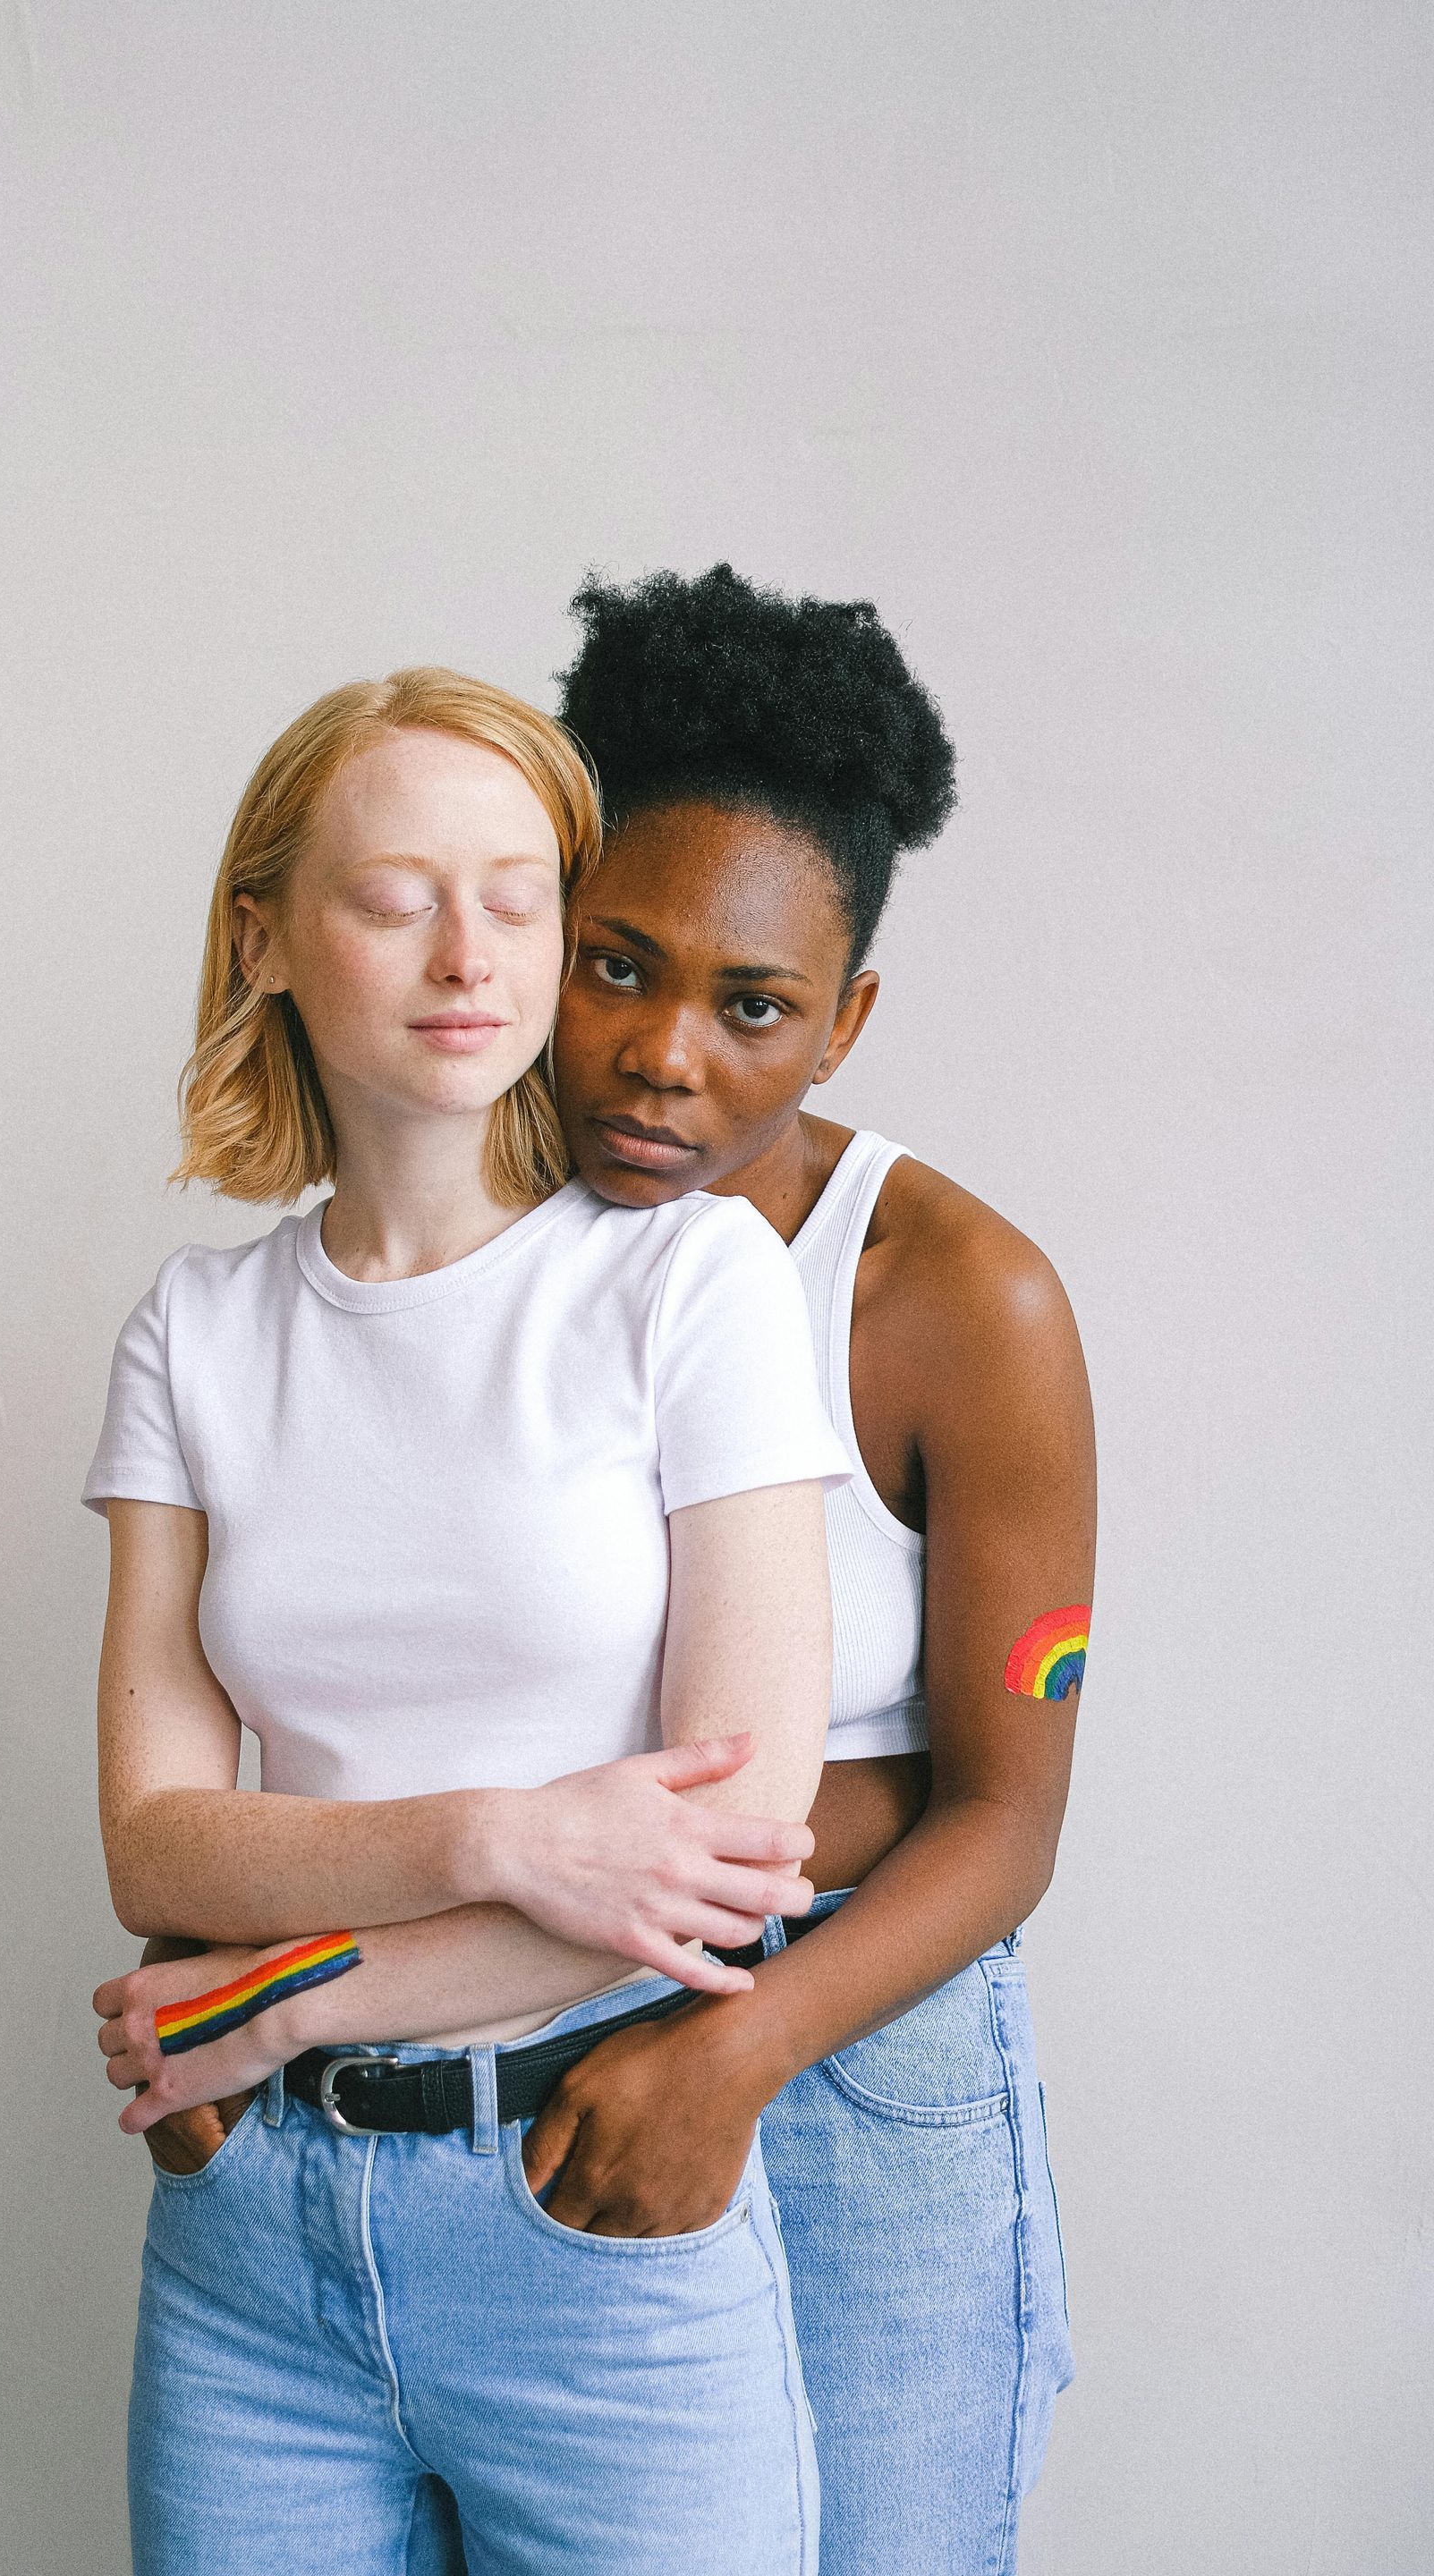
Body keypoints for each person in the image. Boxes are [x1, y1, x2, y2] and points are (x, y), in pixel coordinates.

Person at [83, 663, 850, 2574]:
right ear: (263, 936)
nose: (467, 954)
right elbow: (155, 1837)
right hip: (250, 2253)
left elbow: (728, 1867)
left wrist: (278, 1994)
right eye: (395, 894)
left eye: (519, 898)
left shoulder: (691, 1290)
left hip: (591, 2218)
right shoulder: (197, 1331)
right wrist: (512, 1834)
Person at [517, 564, 1092, 2573]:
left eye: (754, 1005)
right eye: (617, 965)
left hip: (858, 2064)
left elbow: (1008, 1819)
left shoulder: (959, 1298)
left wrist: (745, 2045)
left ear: (842, 1018)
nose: (667, 1053)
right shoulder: (469, 1236)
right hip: (525, 2002)